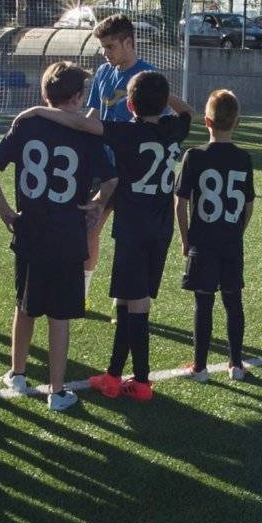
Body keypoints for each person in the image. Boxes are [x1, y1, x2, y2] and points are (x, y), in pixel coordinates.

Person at [0, 62, 115, 412]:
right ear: (77, 97)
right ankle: (56, 392)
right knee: (60, 316)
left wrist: (4, 210)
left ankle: (17, 373)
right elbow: (112, 179)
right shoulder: (86, 132)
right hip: (68, 233)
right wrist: (96, 204)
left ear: (45, 94)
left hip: (31, 229)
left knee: (25, 306)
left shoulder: (27, 125)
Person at [89, 69, 192, 400]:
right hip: (160, 228)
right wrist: (163, 98)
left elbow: (85, 124)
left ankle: (142, 380)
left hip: (133, 227)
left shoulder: (123, 133)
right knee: (126, 298)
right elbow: (187, 109)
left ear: (130, 106)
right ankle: (115, 374)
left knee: (137, 304)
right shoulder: (172, 128)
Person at [175, 88, 255, 381]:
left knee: (204, 302)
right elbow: (248, 205)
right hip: (231, 243)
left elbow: (180, 202)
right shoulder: (244, 158)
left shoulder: (194, 156)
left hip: (203, 241)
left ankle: (200, 367)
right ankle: (236, 364)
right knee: (234, 302)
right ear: (236, 122)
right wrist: (237, 232)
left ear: (206, 122)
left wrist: (185, 239)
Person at [79, 13, 156, 310]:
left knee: (129, 237)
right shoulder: (102, 73)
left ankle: (125, 297)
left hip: (133, 172)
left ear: (128, 42)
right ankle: (81, 294)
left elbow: (160, 121)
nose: (105, 52)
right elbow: (94, 115)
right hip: (103, 168)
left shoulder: (148, 75)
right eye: (103, 47)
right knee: (90, 227)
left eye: (110, 46)